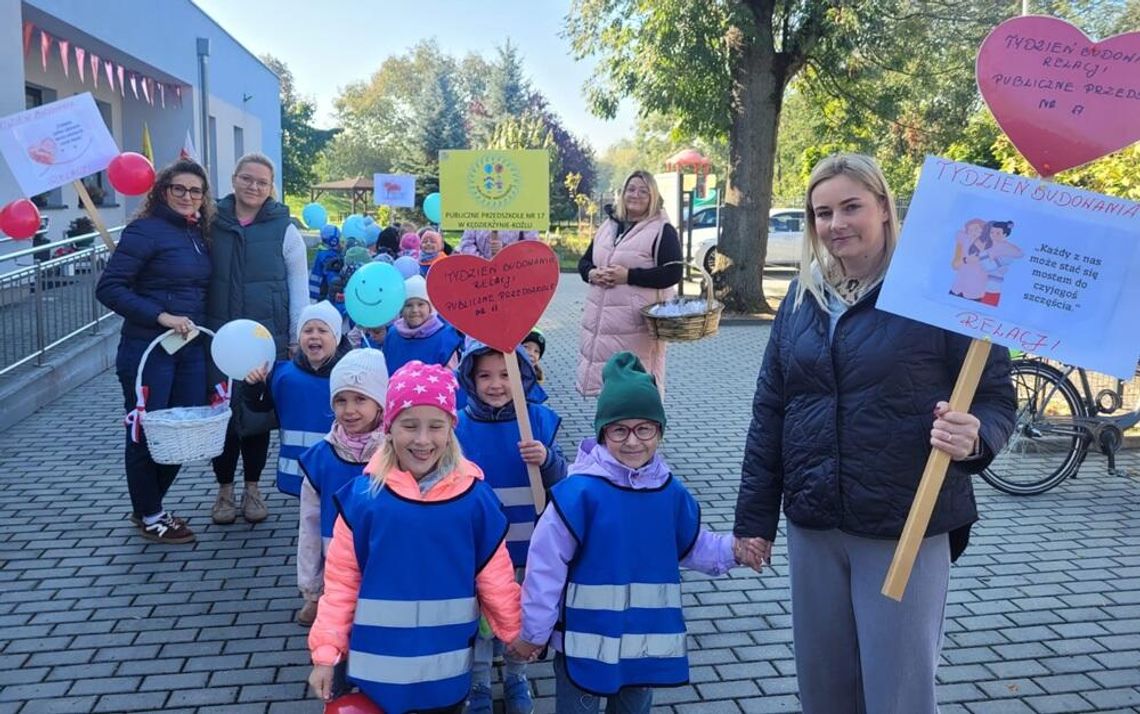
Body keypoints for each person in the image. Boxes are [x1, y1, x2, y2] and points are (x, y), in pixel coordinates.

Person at [732, 153, 1016, 714]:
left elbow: (995, 397)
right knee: (825, 692)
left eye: (851, 207)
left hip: (903, 522)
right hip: (815, 523)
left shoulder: (945, 288)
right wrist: (754, 521)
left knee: (898, 695)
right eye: (823, 213)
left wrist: (976, 436)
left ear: (884, 207)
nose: (836, 223)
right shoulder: (802, 297)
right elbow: (771, 409)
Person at [510, 352, 756, 713]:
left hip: (644, 642)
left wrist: (734, 550)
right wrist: (534, 632)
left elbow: (694, 545)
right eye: (619, 429)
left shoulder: (670, 493)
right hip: (584, 642)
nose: (632, 441)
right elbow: (545, 568)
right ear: (602, 433)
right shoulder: (577, 495)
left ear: (659, 431)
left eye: (644, 429)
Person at [307, 361, 522, 714]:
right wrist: (326, 654)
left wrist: (516, 633)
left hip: (445, 671)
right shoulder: (363, 500)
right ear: (389, 427)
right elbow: (341, 584)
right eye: (409, 425)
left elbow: (495, 578)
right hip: (376, 674)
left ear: (451, 429)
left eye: (435, 426)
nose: (422, 440)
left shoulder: (474, 500)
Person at [95, 159, 213, 544]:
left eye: (195, 191)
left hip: (189, 350)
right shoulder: (144, 230)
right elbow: (109, 288)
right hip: (148, 350)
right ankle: (150, 514)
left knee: (181, 432)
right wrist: (160, 316)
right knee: (146, 434)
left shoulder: (197, 233)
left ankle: (147, 505)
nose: (187, 196)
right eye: (179, 188)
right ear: (163, 190)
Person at [454, 342, 568, 714]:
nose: (496, 384)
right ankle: (479, 681)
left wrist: (547, 459)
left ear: (523, 376)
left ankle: (517, 676)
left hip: (526, 545)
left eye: (506, 375)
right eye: (485, 375)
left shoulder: (538, 421)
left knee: (520, 614)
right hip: (479, 549)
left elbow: (563, 481)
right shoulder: (458, 427)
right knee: (478, 617)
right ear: (470, 379)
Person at [206, 152, 309, 525]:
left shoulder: (284, 229)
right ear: (234, 179)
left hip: (264, 339)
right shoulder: (210, 222)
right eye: (247, 178)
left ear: (271, 187)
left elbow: (298, 287)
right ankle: (224, 491)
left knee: (256, 416)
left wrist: (296, 338)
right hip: (217, 338)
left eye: (262, 182)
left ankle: (252, 488)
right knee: (221, 415)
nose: (253, 186)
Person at [296, 348, 388, 626]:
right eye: (340, 400)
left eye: (360, 399)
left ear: (380, 402)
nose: (349, 410)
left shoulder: (396, 452)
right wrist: (312, 589)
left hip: (384, 560)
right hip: (336, 562)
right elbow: (309, 526)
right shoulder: (319, 458)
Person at [576, 170, 683, 397]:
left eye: (644, 191)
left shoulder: (662, 230)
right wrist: (592, 273)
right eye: (631, 189)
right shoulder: (608, 226)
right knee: (606, 393)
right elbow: (584, 262)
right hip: (601, 327)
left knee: (635, 394)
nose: (636, 195)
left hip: (636, 328)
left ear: (653, 197)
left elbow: (673, 272)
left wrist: (630, 276)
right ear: (623, 193)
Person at [242, 301, 349, 499]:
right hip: (300, 470)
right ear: (299, 337)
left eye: (322, 330)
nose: (314, 335)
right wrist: (252, 386)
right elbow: (259, 407)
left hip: (341, 470)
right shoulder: (282, 375)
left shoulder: (350, 375)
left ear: (336, 337)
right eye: (307, 330)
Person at [382, 275, 463, 375]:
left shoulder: (444, 337)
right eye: (408, 305)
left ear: (430, 307)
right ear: (401, 309)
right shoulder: (393, 334)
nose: (415, 310)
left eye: (420, 304)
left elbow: (451, 377)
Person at [309, 224, 343, 302]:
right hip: (324, 294)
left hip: (317, 294)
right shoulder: (328, 257)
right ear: (333, 241)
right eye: (338, 239)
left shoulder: (322, 252)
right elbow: (332, 278)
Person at [457, 229, 539, 259]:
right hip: (478, 274)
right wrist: (484, 264)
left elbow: (531, 246)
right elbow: (466, 244)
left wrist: (505, 251)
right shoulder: (476, 212)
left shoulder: (523, 211)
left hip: (512, 273)